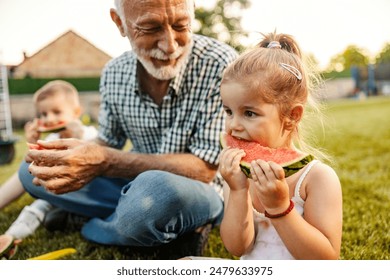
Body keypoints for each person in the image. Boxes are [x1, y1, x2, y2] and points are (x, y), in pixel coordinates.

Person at [18, 0, 238, 251]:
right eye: (151, 28)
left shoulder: (221, 64)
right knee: (32, 168)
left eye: (181, 25)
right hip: (134, 186)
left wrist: (105, 160)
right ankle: (155, 228)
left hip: (196, 191)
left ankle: (91, 225)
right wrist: (73, 153)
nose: (170, 45)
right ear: (119, 23)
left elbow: (206, 169)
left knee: (158, 193)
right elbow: (107, 142)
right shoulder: (113, 72)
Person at [219, 32, 343, 259]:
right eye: (228, 111)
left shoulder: (317, 178)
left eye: (249, 113)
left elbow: (326, 260)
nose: (233, 125)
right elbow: (238, 248)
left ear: (292, 116)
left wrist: (280, 208)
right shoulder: (238, 175)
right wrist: (237, 191)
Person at [0, 80, 97, 239]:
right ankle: (11, 236)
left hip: (83, 192)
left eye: (57, 112)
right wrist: (32, 143)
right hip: (54, 190)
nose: (49, 119)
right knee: (38, 206)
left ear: (76, 112)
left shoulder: (89, 134)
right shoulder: (51, 138)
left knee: (42, 206)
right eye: (43, 114)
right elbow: (32, 168)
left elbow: (98, 157)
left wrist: (78, 136)